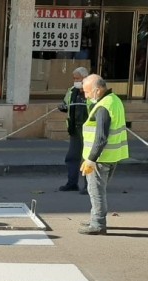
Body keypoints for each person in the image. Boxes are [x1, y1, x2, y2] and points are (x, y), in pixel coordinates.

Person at [78, 74, 129, 235]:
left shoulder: (103, 107)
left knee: (96, 192)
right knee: (99, 190)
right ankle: (96, 219)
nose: (85, 96)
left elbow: (101, 138)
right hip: (112, 156)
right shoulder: (115, 100)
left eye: (87, 92)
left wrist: (91, 160)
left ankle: (98, 224)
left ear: (98, 90)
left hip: (101, 157)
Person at [57, 66, 90, 194]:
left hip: (89, 130)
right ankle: (72, 183)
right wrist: (63, 107)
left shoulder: (92, 91)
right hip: (75, 129)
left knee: (88, 159)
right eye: (74, 78)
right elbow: (66, 104)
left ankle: (89, 186)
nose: (75, 81)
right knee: (72, 157)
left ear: (85, 79)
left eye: (78, 78)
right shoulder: (71, 91)